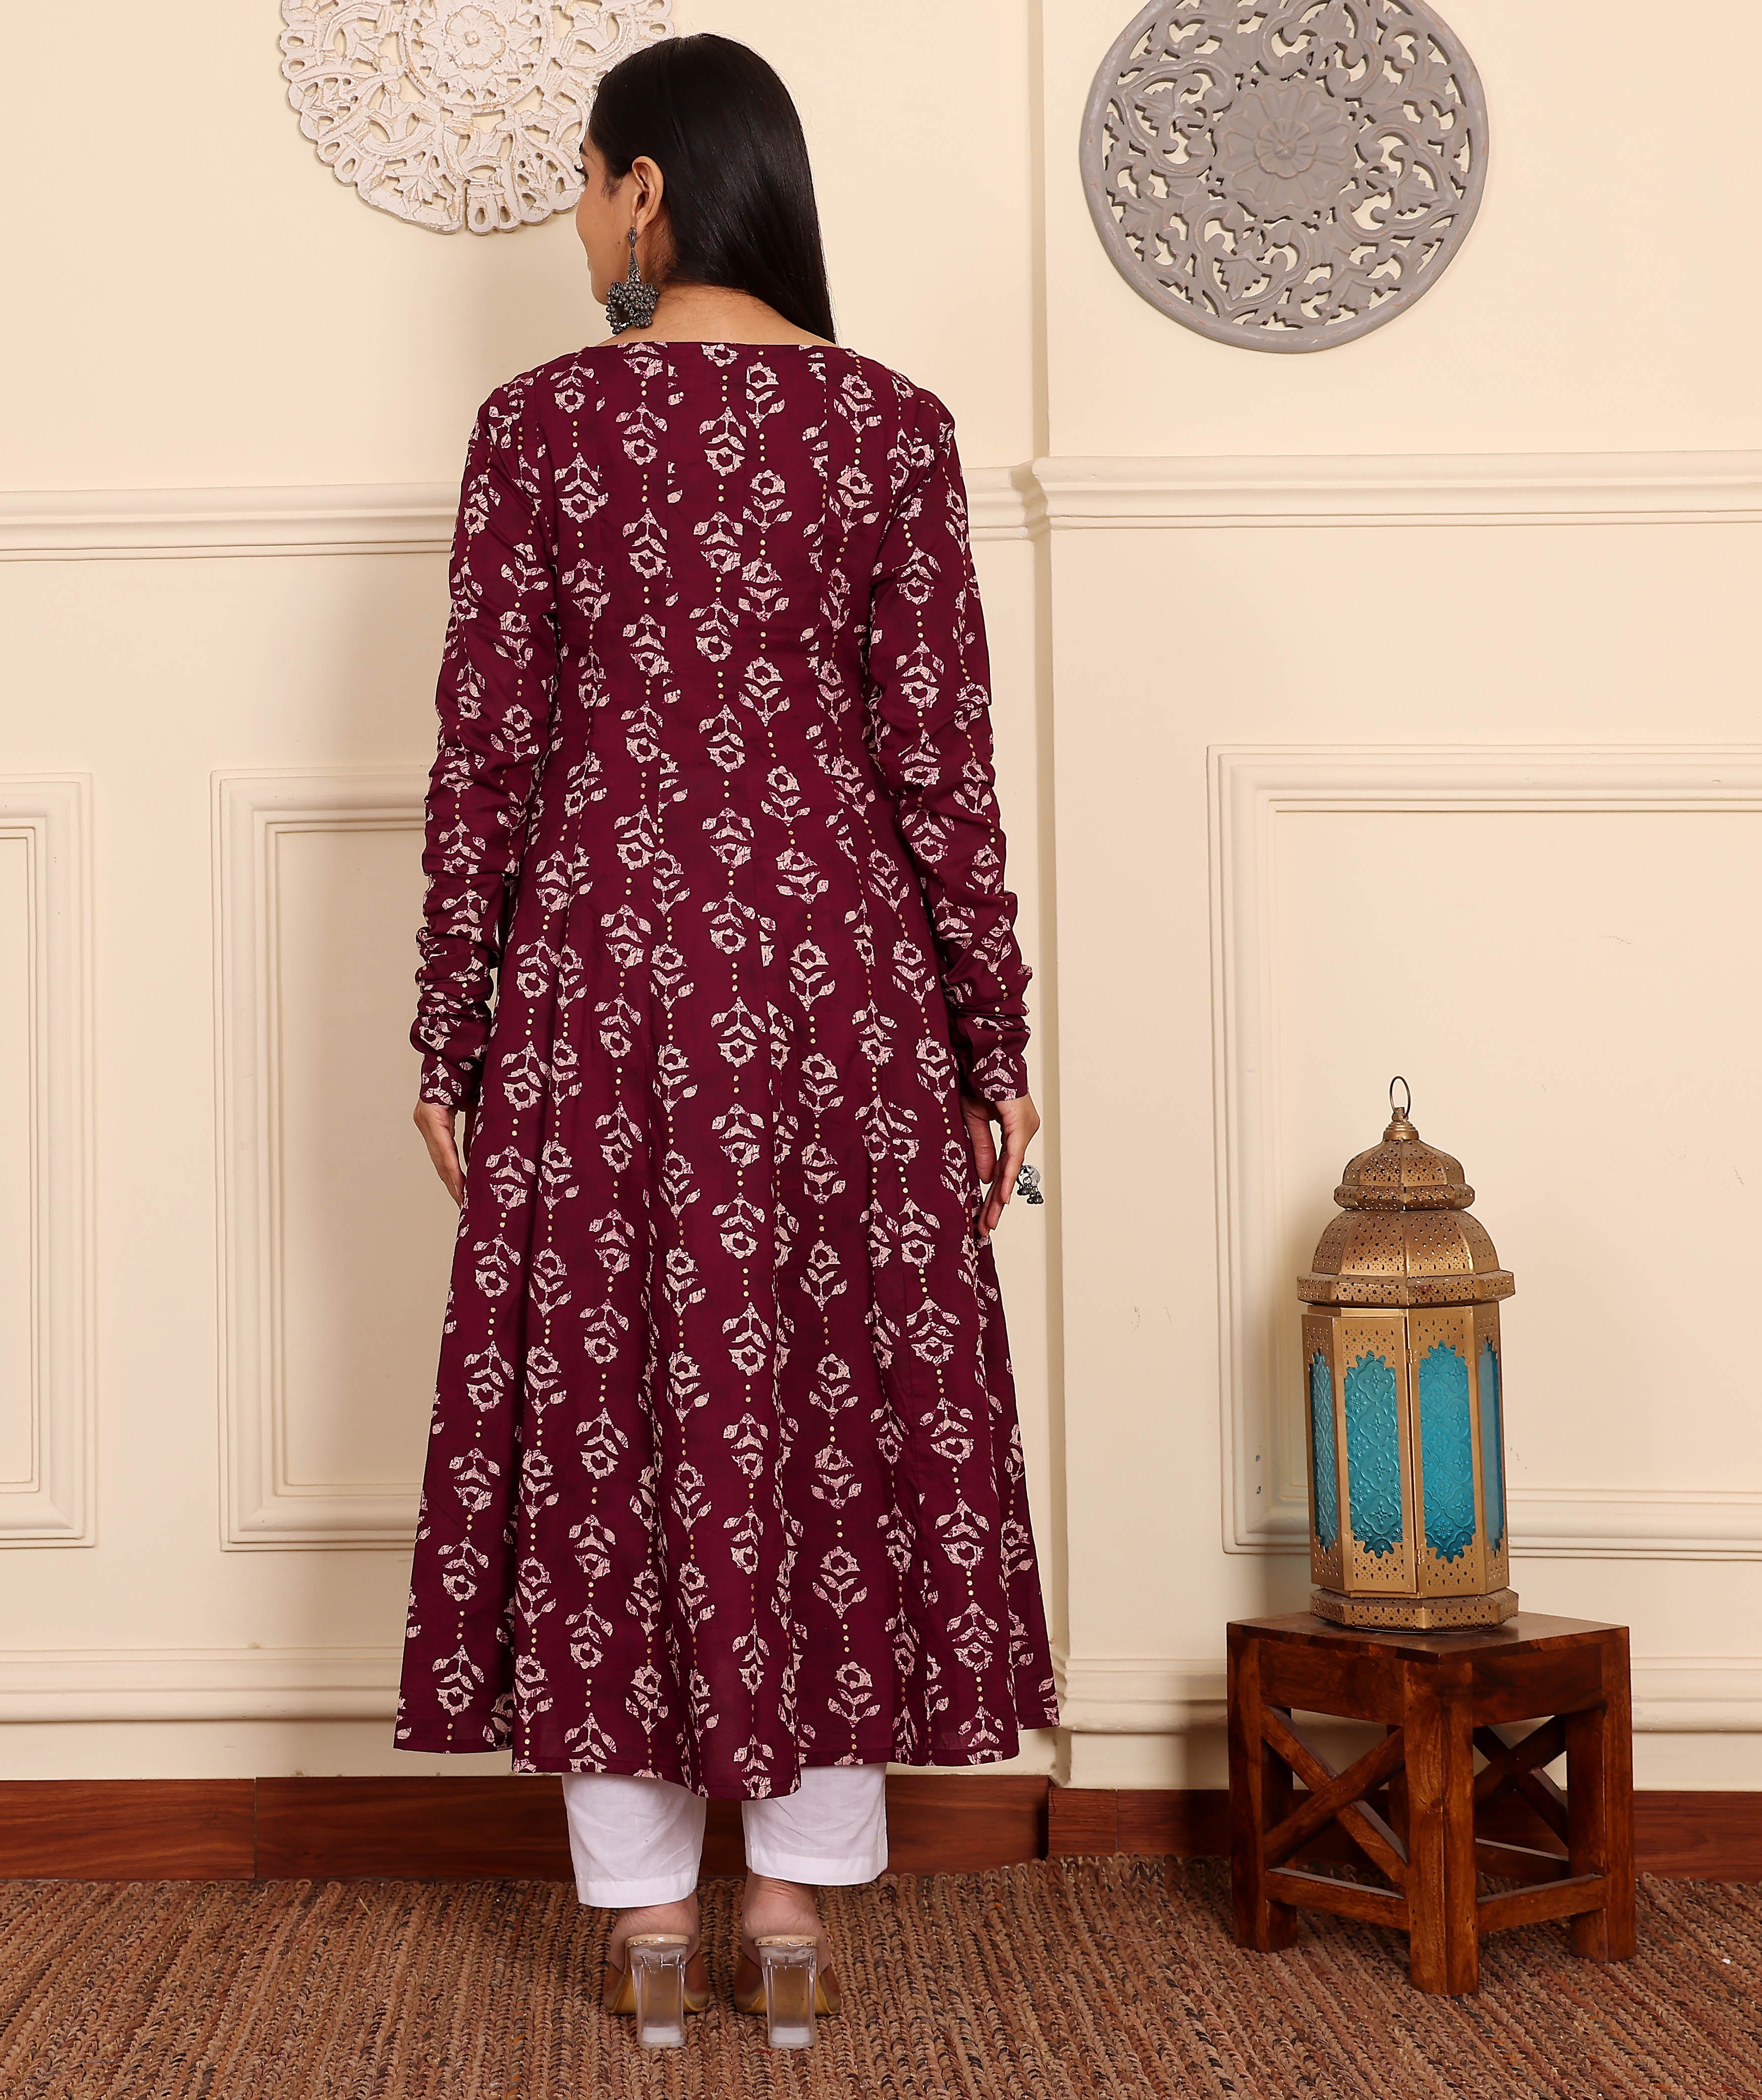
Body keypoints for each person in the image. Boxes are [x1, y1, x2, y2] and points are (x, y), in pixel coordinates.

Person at [393, 30, 1056, 2046]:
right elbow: (941, 767)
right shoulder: (893, 429)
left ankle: (645, 1917)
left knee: (611, 1399)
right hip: (839, 979)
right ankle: (790, 1905)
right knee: (828, 1403)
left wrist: (450, 1026)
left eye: (588, 185)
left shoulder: (538, 429)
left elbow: (487, 758)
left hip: (602, 975)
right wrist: (991, 1038)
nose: (579, 226)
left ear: (650, 188)